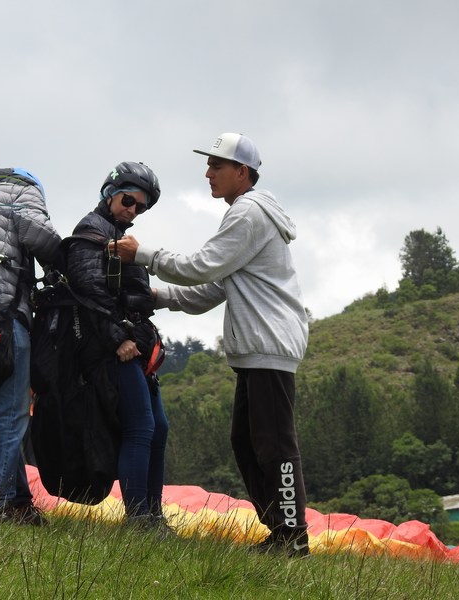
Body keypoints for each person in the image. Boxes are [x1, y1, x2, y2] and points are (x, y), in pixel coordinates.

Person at [113, 134, 310, 556]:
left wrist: (142, 255)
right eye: (208, 165)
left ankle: (292, 538)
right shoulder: (247, 215)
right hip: (259, 350)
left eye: (217, 166)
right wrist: (158, 298)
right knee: (246, 441)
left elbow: (201, 266)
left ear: (243, 172)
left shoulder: (248, 213)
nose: (208, 173)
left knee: (276, 445)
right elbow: (214, 287)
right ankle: (280, 530)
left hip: (269, 347)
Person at [64, 161, 169, 528]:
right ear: (110, 193)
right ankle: (140, 518)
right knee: (139, 427)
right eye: (128, 201)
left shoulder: (118, 236)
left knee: (160, 427)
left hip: (136, 347)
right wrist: (119, 338)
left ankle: (154, 516)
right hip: (112, 349)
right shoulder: (91, 232)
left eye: (141, 207)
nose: (133, 210)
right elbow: (88, 291)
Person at [0, 167, 61, 525]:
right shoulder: (21, 190)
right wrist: (64, 257)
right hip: (8, 315)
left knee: (0, 413)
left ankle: (18, 500)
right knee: (11, 415)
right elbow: (36, 231)